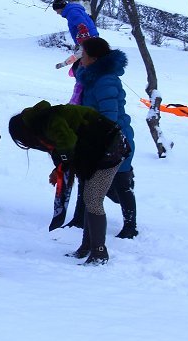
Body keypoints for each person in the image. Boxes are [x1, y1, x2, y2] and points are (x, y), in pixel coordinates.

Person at [7, 100, 129, 265]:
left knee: (93, 199)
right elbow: (65, 148)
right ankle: (87, 246)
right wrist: (60, 168)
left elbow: (68, 143)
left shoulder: (49, 121)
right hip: (96, 151)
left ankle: (99, 252)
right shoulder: (42, 121)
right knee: (89, 198)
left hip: (111, 149)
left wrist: (63, 166)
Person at [76, 37, 137, 239]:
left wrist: (98, 140)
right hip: (99, 138)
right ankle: (83, 224)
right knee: (97, 183)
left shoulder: (106, 81)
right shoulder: (91, 77)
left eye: (83, 54)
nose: (80, 57)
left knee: (121, 182)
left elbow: (108, 117)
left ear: (93, 58)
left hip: (116, 140)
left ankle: (130, 226)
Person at [51, 0, 100, 105]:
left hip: (87, 39)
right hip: (89, 38)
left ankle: (78, 100)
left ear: (60, 8)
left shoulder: (72, 12)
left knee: (79, 70)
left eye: (56, 11)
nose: (57, 13)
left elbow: (81, 23)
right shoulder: (73, 10)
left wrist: (62, 64)